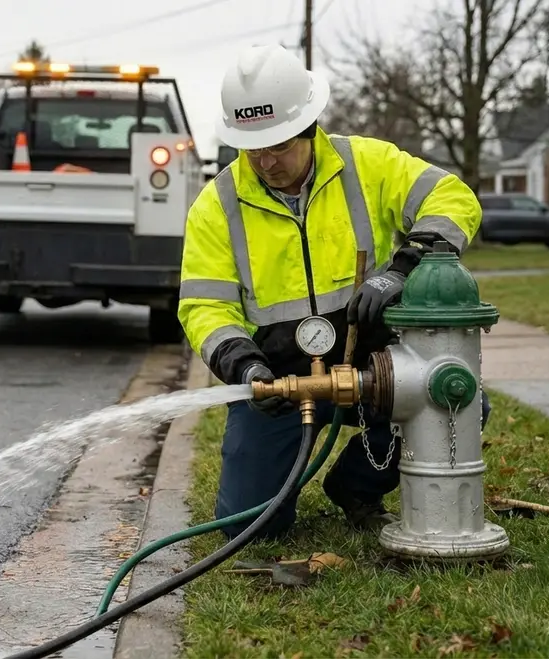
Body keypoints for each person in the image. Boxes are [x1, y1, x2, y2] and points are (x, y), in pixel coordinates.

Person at [177, 43, 492, 540]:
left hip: (374, 367)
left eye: (278, 145)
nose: (265, 160)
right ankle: (274, 489)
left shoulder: (367, 164)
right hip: (278, 379)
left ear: (308, 127)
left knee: (454, 399)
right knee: (252, 528)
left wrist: (403, 269)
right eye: (252, 147)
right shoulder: (216, 205)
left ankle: (356, 485)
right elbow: (204, 306)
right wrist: (244, 366)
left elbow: (453, 197)